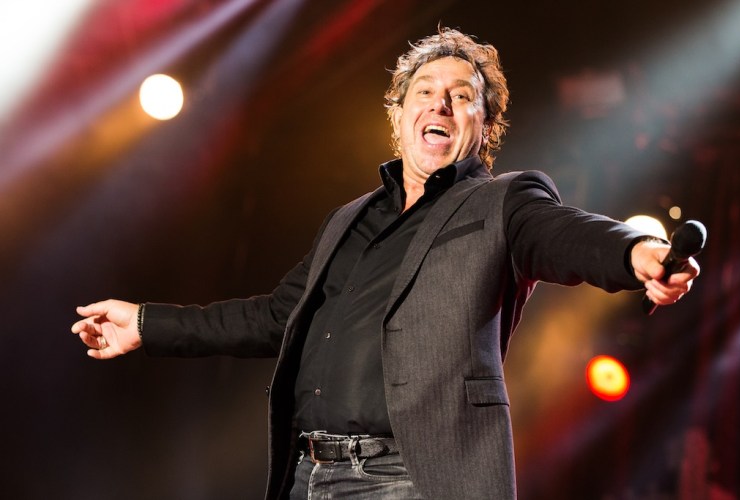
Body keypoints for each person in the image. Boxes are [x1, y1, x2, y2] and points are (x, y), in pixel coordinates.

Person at [71, 28, 700, 500]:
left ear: (485, 124)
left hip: (408, 479)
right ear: (398, 116)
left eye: (461, 96)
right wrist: (147, 324)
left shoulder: (503, 203)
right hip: (308, 473)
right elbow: (275, 318)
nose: (441, 105)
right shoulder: (348, 220)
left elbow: (569, 234)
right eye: (425, 92)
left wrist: (635, 254)